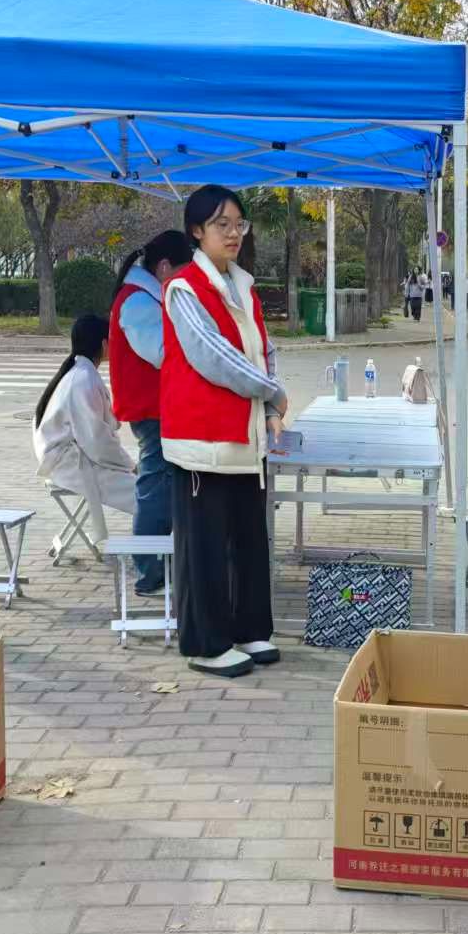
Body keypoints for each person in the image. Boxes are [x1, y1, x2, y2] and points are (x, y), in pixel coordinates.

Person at [161, 186, 287, 678]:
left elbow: (262, 349)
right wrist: (272, 392)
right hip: (202, 439)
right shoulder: (184, 288)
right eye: (222, 225)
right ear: (197, 231)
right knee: (206, 546)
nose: (234, 233)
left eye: (239, 224)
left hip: (245, 437)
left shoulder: (242, 285)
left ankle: (250, 628)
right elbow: (215, 358)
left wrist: (271, 404)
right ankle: (206, 643)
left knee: (248, 538)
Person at [110, 229, 194, 596]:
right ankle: (149, 571)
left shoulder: (144, 296)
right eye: (182, 272)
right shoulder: (136, 301)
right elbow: (163, 352)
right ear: (163, 267)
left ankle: (157, 566)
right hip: (150, 408)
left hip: (159, 406)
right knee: (155, 488)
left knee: (160, 485)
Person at [33, 312, 140, 544]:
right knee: (146, 494)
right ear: (104, 344)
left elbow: (96, 438)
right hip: (72, 464)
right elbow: (96, 441)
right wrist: (130, 465)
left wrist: (127, 463)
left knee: (146, 487)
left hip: (74, 457)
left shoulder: (79, 373)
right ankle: (152, 552)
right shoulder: (83, 379)